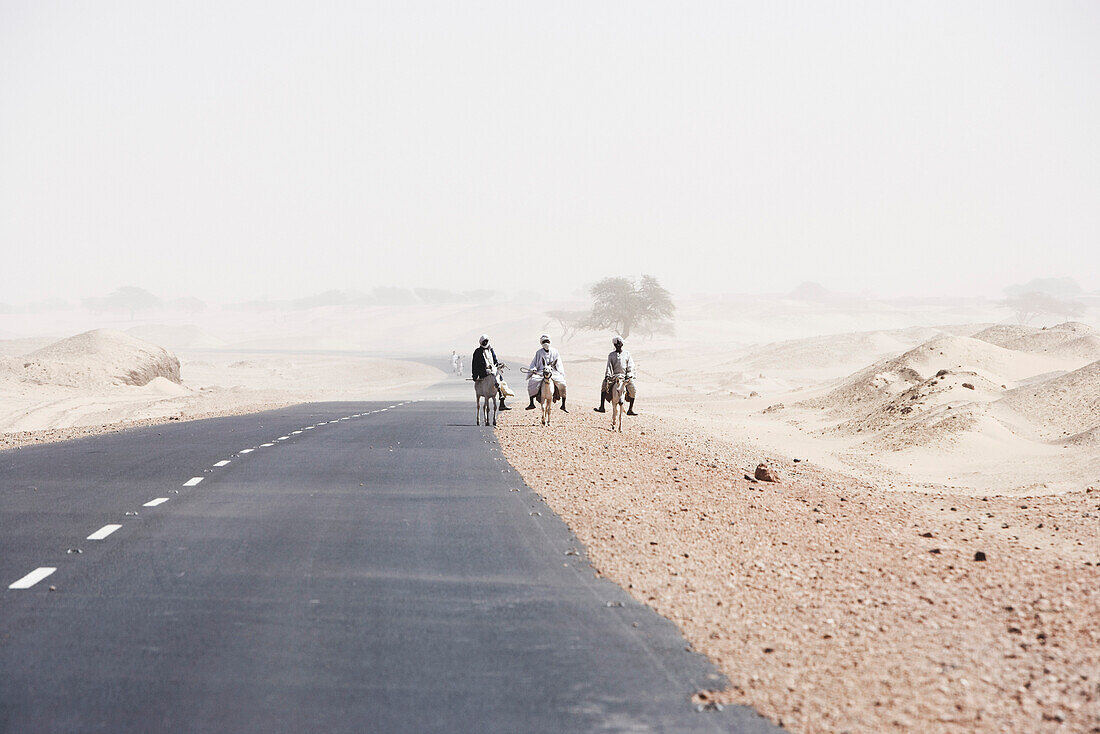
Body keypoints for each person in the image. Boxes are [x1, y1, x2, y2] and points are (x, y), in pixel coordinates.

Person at [594, 335, 637, 415]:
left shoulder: (627, 354)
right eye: (616, 345)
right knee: (604, 385)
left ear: (622, 344)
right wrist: (607, 375)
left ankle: (630, 409)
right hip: (614, 376)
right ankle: (602, 406)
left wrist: (629, 374)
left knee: (633, 388)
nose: (617, 346)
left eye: (619, 344)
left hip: (625, 376)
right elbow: (609, 366)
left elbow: (630, 365)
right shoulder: (611, 355)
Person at [526, 334, 567, 412]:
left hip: (553, 372)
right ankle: (531, 403)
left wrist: (560, 372)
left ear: (550, 342)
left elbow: (559, 363)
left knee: (562, 384)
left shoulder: (555, 351)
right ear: (541, 343)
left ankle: (563, 405)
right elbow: (534, 363)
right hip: (541, 372)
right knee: (532, 381)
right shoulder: (538, 352)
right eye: (544, 342)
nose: (546, 343)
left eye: (547, 341)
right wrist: (533, 369)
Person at [470, 335, 510, 409]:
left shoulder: (491, 350)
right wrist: (474, 375)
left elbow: (495, 360)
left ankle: (502, 400)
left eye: (486, 341)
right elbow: (474, 364)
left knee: (500, 380)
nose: (485, 343)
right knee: (494, 376)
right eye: (484, 342)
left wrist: (498, 365)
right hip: (484, 372)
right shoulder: (478, 352)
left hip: (493, 369)